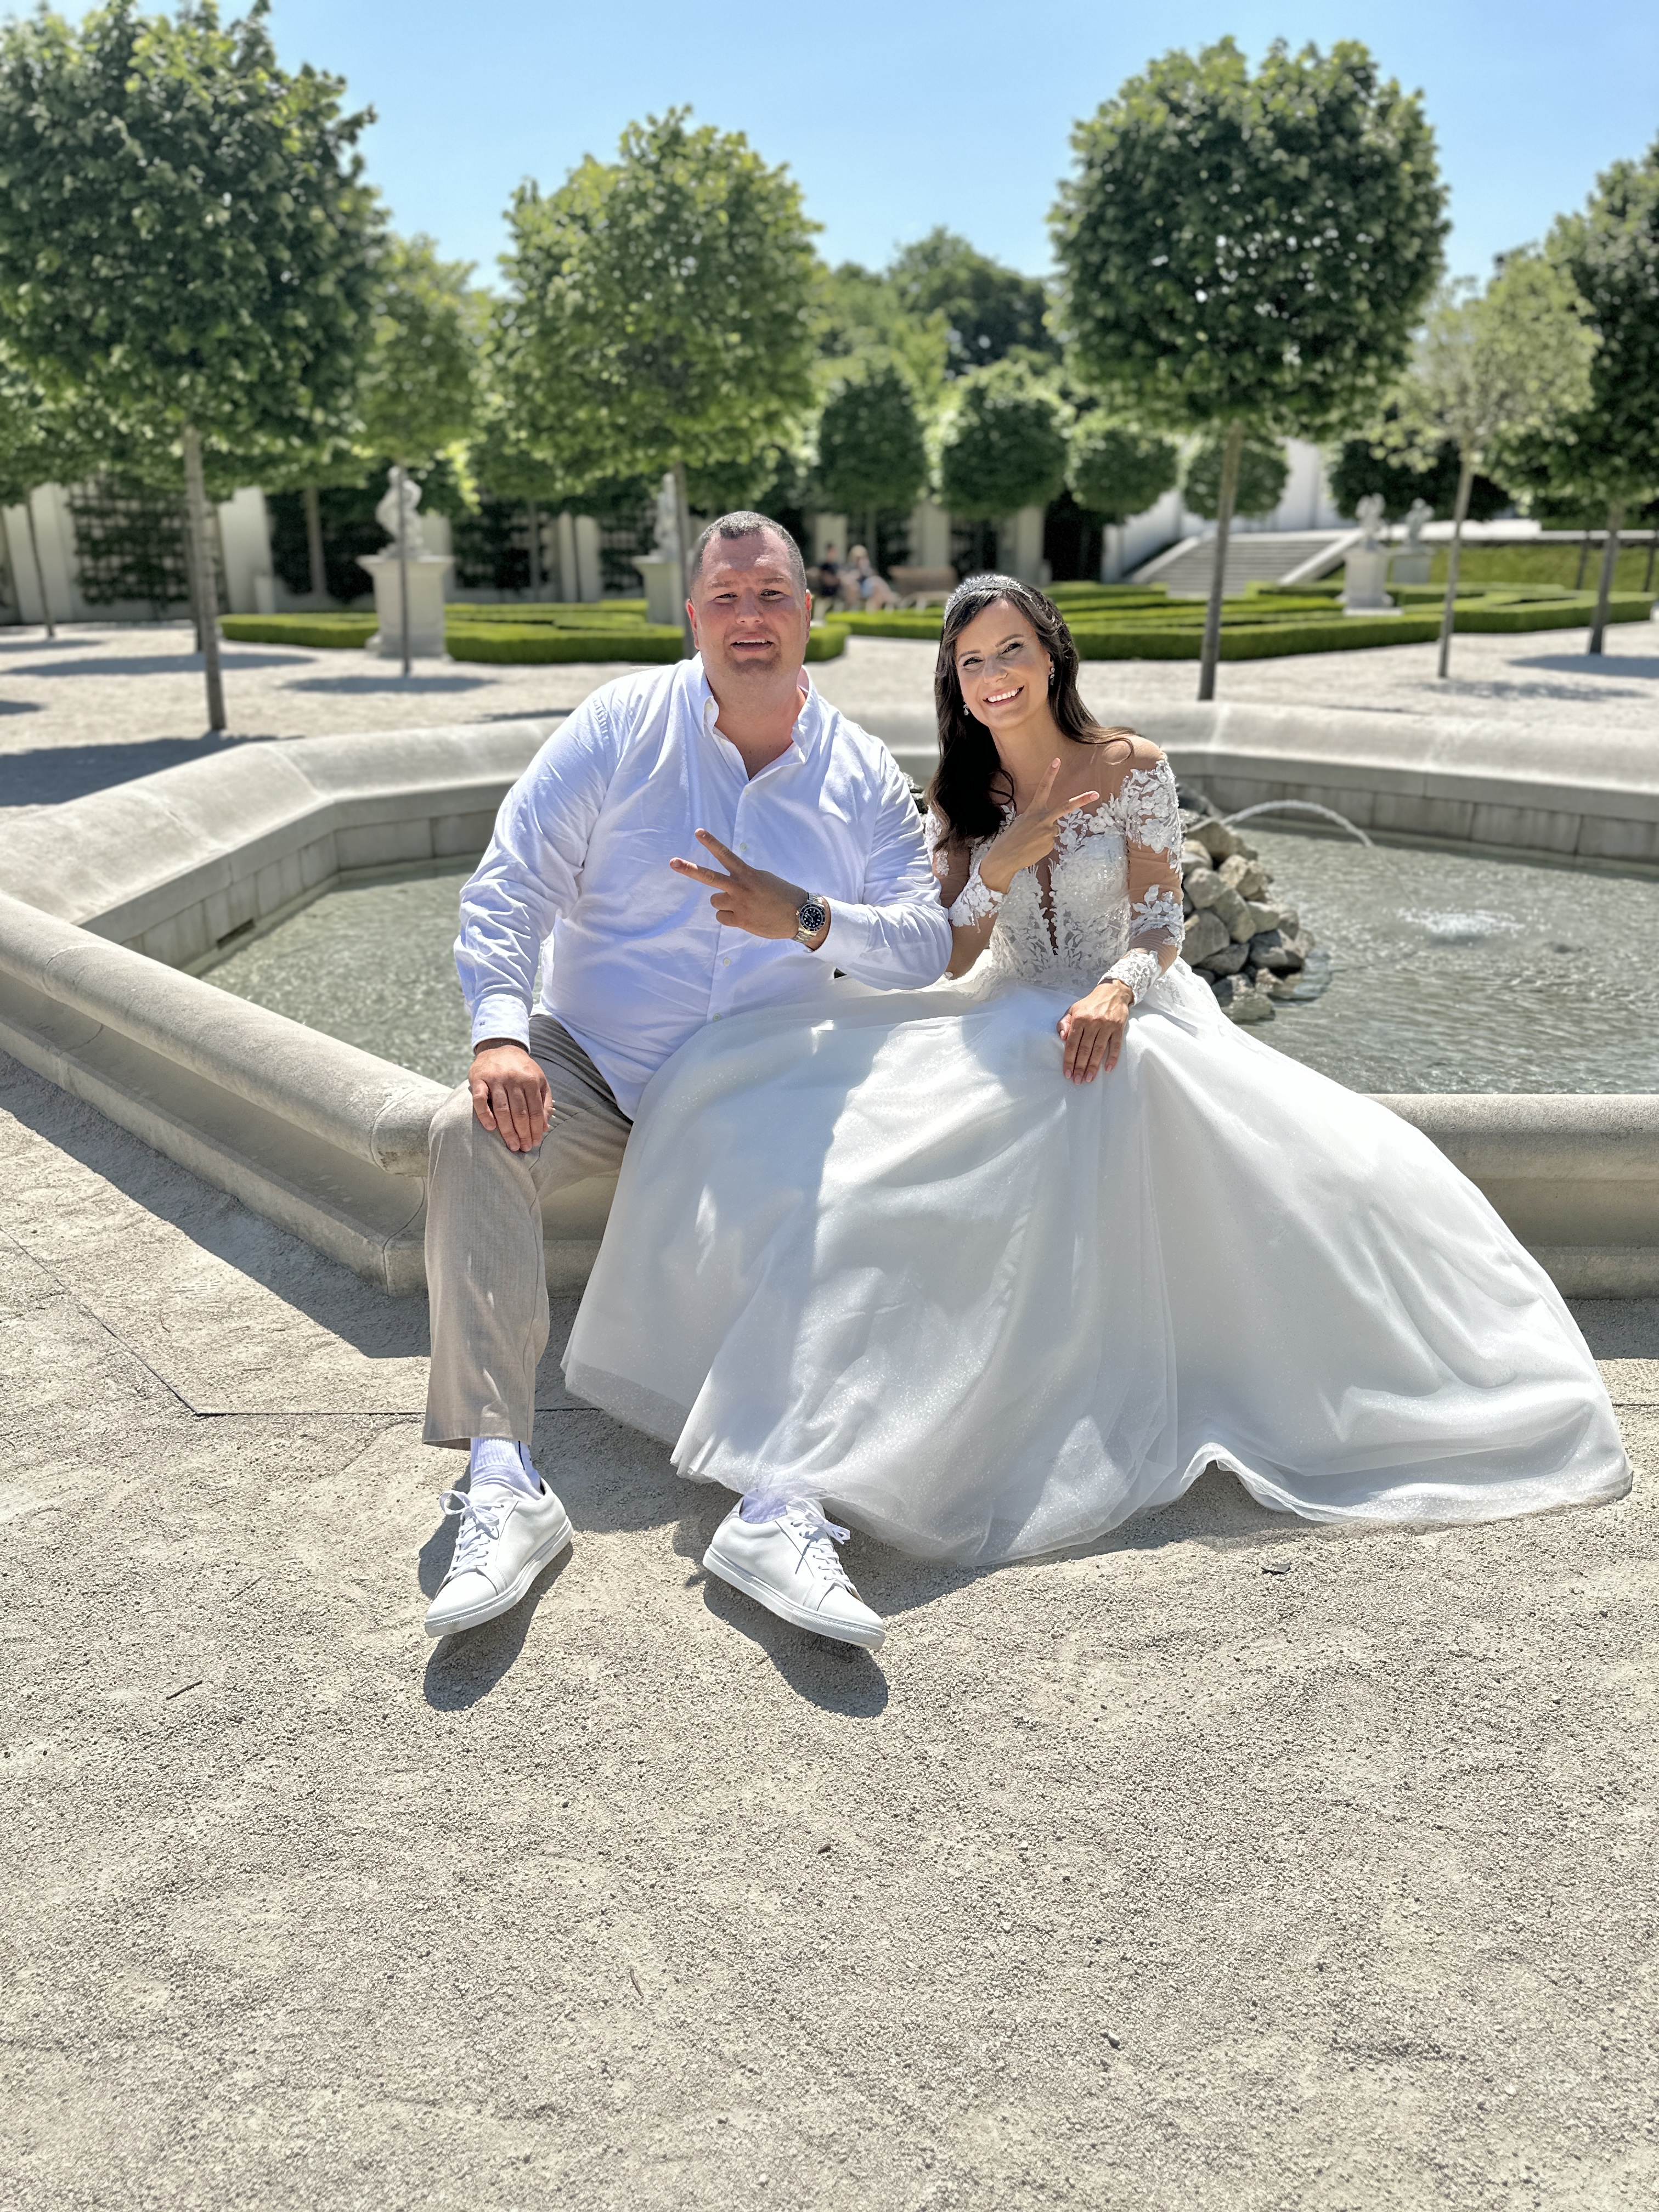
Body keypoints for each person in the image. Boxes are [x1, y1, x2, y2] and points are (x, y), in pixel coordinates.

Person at [565, 575, 1631, 1652]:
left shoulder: (1133, 768)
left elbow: (1162, 924)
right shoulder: (967, 790)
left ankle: (798, 1491)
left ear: (1052, 653)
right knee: (787, 1124)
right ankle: (790, 1486)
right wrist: (994, 866)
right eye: (971, 662)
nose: (993, 677)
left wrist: (1117, 989)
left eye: (1010, 650)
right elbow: (963, 949)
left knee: (1054, 1136)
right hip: (999, 1012)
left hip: (1130, 1012)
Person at [419, 512, 952, 1638]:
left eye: (771, 596)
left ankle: (779, 1503)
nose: (748, 618)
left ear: (812, 612)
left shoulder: (860, 775)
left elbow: (921, 943)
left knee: (847, 1190)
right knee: (465, 1136)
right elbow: (510, 883)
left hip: (760, 1088)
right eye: (725, 597)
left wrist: (804, 916)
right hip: (598, 1067)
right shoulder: (619, 726)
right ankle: (505, 1479)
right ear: (692, 613)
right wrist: (501, 1034)